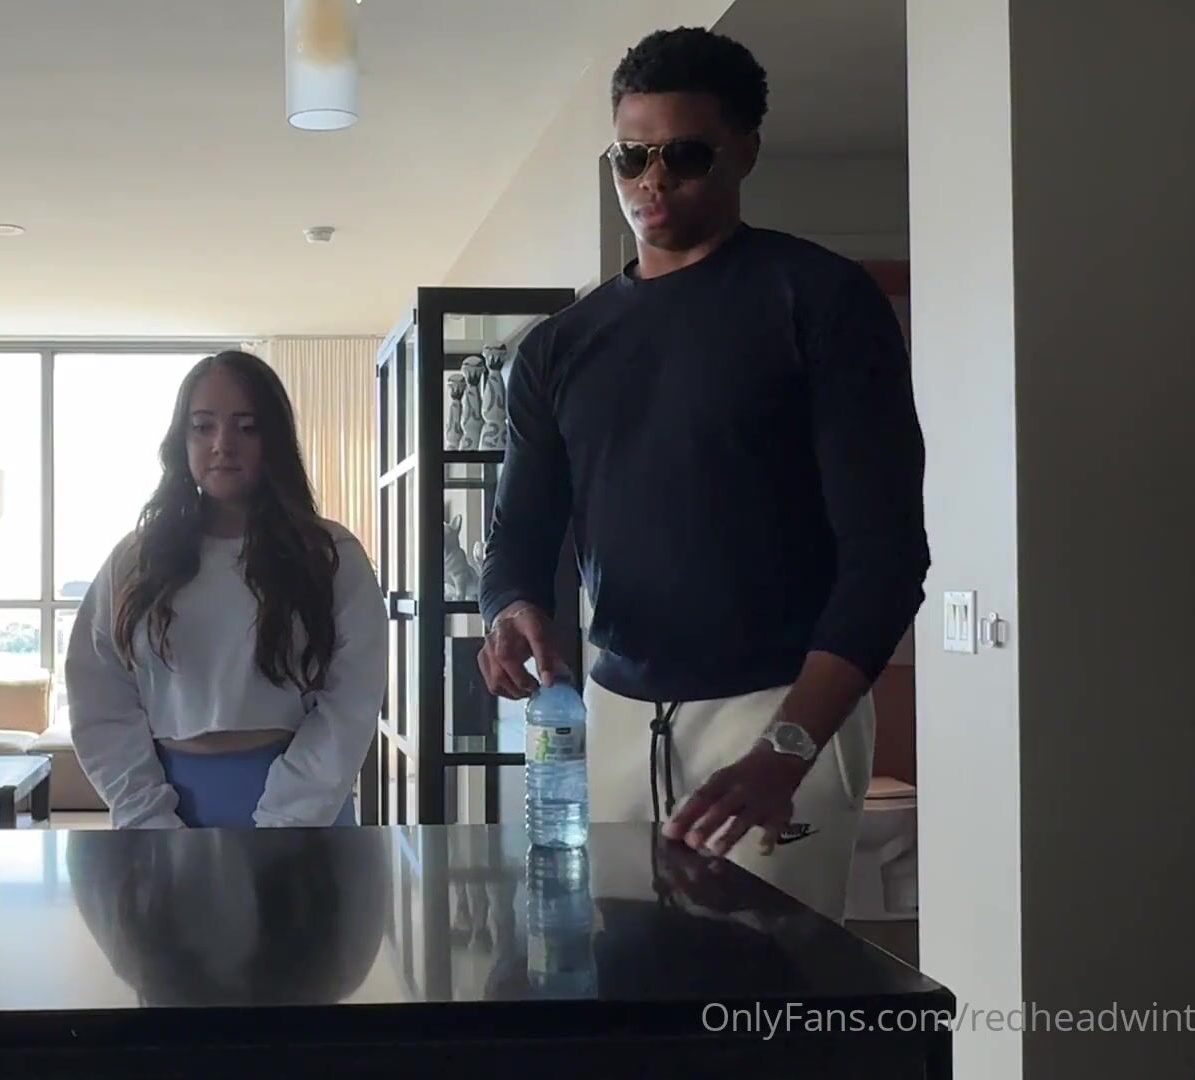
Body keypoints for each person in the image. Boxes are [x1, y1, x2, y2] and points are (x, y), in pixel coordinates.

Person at [477, 27, 929, 920]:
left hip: (775, 706)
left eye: (684, 155)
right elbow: (519, 533)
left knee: (766, 982)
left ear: (745, 151)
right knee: (613, 973)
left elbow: (886, 556)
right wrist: (510, 608)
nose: (651, 181)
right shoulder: (560, 347)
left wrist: (789, 747)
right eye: (630, 156)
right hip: (614, 708)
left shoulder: (819, 300)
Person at [65, 350, 386, 829]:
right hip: (164, 806)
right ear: (181, 440)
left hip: (307, 806)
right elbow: (99, 696)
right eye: (202, 426)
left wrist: (287, 820)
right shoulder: (136, 559)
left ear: (274, 439)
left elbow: (351, 700)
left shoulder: (329, 555)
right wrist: (149, 816)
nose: (222, 444)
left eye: (247, 427)